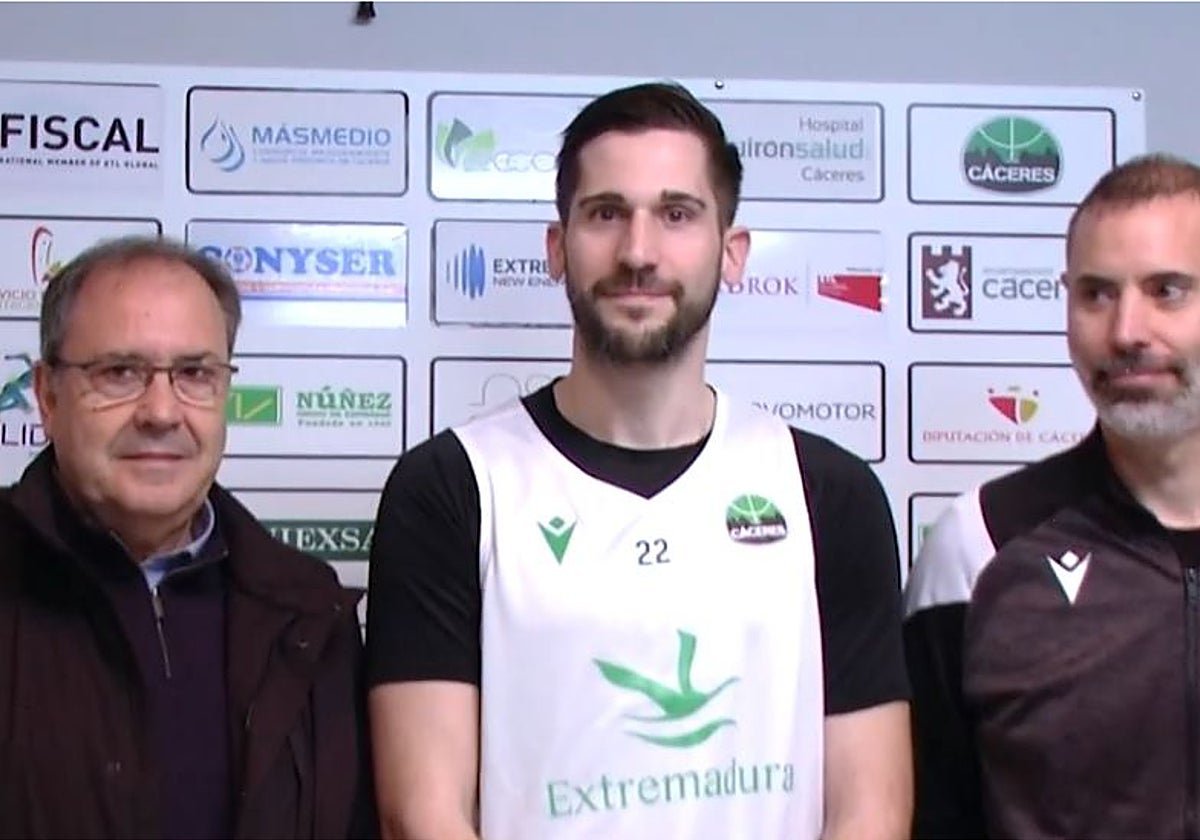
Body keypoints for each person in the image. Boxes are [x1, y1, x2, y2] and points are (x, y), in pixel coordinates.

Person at [366, 81, 912, 840]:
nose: (638, 252)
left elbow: (872, 811)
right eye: (605, 213)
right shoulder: (451, 489)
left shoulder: (830, 492)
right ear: (558, 248)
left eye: (677, 215)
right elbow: (422, 815)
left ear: (733, 252)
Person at [0, 236, 375, 839]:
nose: (161, 411)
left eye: (194, 374)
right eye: (120, 372)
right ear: (47, 396)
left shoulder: (309, 613)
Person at [904, 153, 1200, 839]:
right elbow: (933, 815)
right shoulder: (982, 543)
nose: (1127, 332)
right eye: (1097, 294)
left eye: (1167, 291)